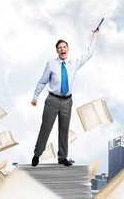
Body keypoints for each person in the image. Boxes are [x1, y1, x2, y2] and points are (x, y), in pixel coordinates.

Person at [30, 30, 99, 167]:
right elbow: (42, 81)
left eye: (64, 47)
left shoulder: (73, 64)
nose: (63, 49)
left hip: (67, 101)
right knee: (46, 128)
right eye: (60, 47)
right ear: (57, 51)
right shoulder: (51, 64)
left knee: (64, 130)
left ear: (68, 50)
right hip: (52, 100)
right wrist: (35, 97)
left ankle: (62, 157)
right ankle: (37, 154)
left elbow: (89, 54)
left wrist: (95, 36)